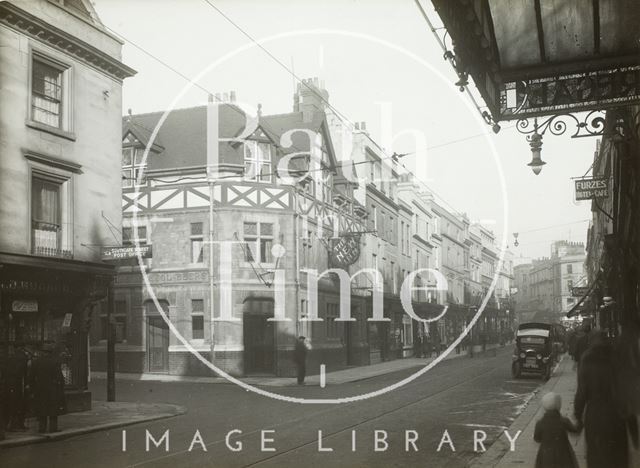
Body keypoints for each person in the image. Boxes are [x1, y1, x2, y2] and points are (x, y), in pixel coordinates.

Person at [574, 331, 628, 468]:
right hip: (617, 414)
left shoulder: (587, 358)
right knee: (618, 455)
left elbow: (582, 391)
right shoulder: (617, 356)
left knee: (596, 454)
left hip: (595, 413)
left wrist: (578, 415)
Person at [534, 392, 580, 468]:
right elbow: (574, 430)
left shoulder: (540, 422)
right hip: (563, 453)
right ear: (559, 406)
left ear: (544, 407)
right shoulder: (564, 421)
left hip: (546, 454)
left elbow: (537, 438)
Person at [31, 343, 66, 433]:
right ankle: (52, 428)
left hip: (40, 389)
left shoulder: (36, 361)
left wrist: (33, 387)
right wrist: (61, 386)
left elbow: (31, 376)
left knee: (42, 408)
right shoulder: (55, 361)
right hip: (52, 389)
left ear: (42, 352)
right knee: (53, 408)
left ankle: (42, 428)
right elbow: (59, 377)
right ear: (51, 352)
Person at [5, 345, 28, 431]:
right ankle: (17, 425)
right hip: (19, 385)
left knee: (13, 405)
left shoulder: (10, 358)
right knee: (19, 405)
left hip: (11, 385)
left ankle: (13, 424)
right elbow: (22, 372)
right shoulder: (23, 357)